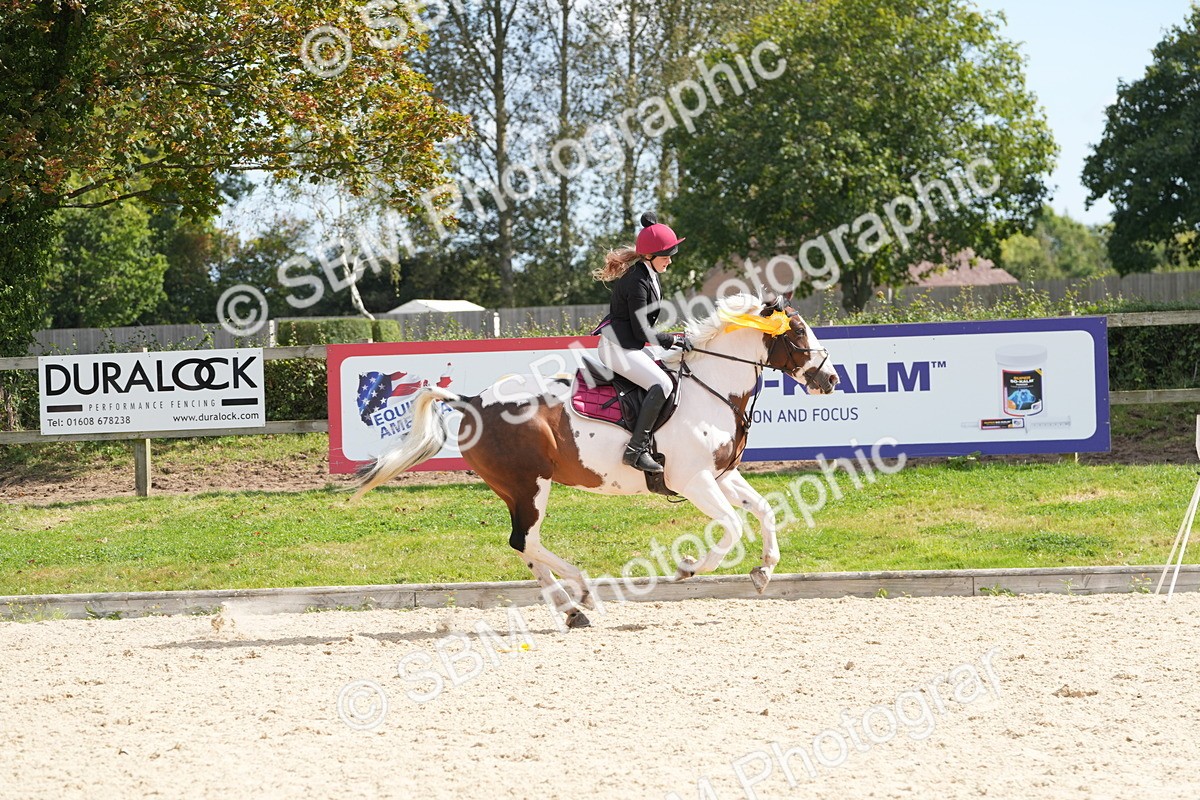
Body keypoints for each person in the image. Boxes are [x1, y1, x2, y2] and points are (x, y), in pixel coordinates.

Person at [591, 212, 692, 473]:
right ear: (648, 255)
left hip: (629, 345)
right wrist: (672, 339)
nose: (670, 260)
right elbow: (640, 331)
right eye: (665, 255)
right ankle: (635, 450)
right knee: (662, 384)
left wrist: (673, 340)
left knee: (669, 373)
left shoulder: (650, 274)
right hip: (617, 348)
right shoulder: (636, 281)